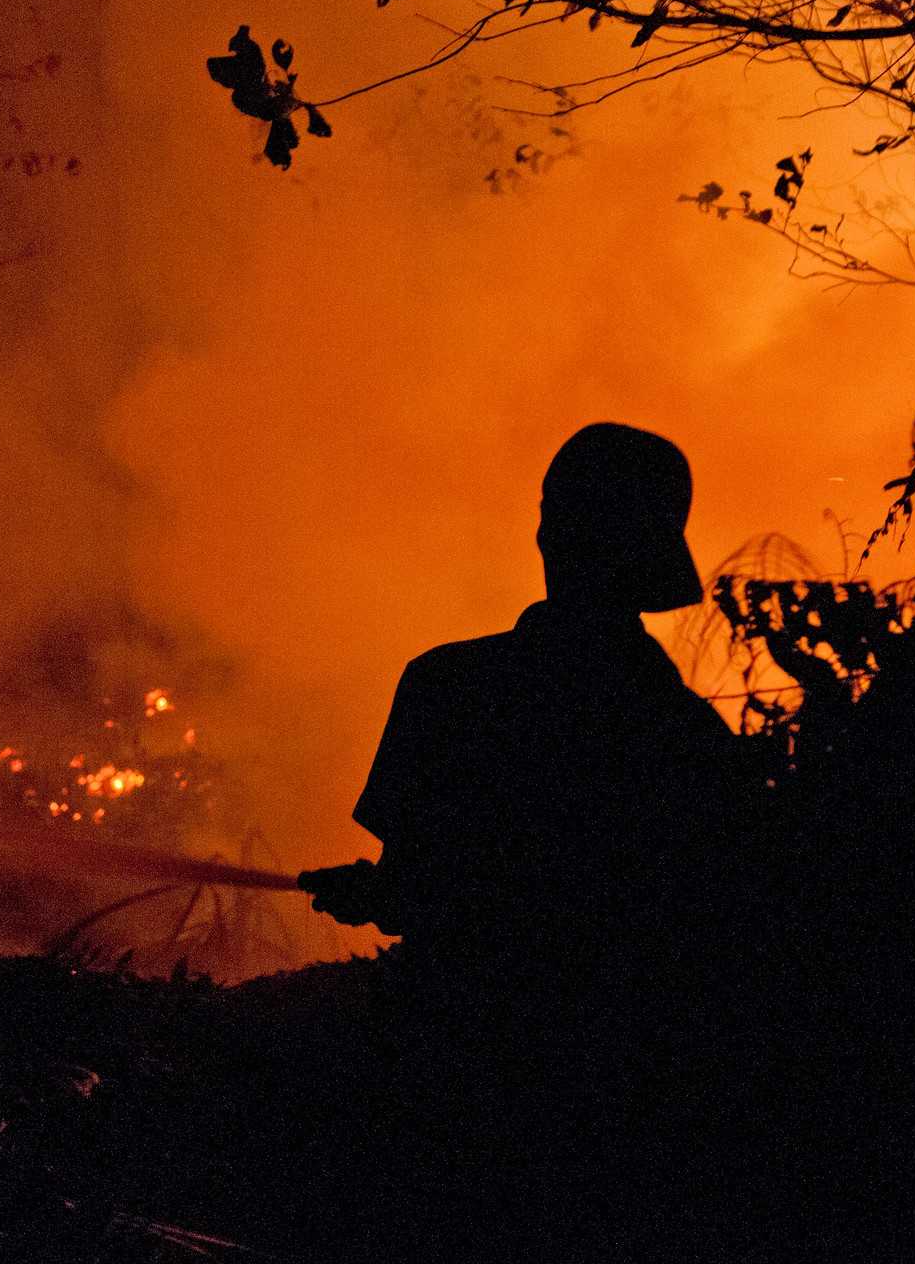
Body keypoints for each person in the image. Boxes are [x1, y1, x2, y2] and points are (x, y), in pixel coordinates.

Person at [301, 421, 731, 985]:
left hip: (467, 1039)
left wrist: (369, 893)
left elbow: (416, 889)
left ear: (551, 534)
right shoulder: (691, 732)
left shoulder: (449, 686)